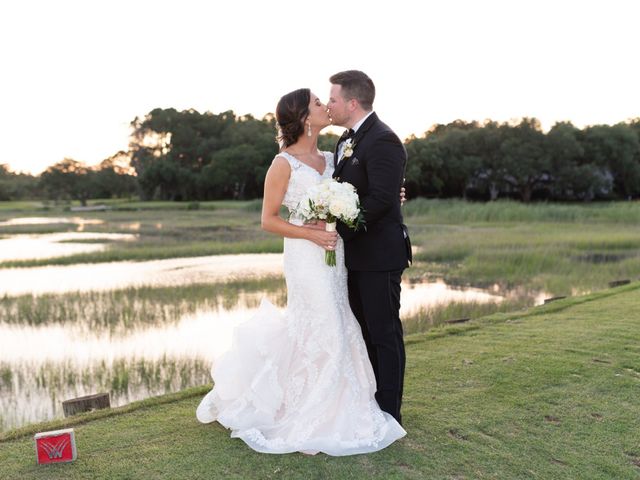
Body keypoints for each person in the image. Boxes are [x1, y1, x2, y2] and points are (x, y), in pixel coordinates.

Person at [196, 88, 406, 455]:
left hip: (335, 253)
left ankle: (347, 403)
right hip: (304, 256)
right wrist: (308, 232)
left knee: (341, 320)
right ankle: (309, 408)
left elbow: (363, 192)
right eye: (317, 103)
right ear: (305, 118)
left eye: (328, 101)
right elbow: (268, 220)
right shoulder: (283, 164)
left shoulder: (333, 155)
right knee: (322, 322)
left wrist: (393, 194)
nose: (326, 106)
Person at [328, 70, 411, 425]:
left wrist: (340, 226)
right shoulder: (345, 141)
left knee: (384, 333)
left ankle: (390, 413)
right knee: (364, 332)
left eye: (332, 99)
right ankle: (372, 405)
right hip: (356, 256)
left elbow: (381, 199)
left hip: (380, 255)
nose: (328, 105)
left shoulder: (384, 140)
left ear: (352, 102)